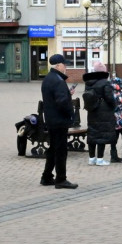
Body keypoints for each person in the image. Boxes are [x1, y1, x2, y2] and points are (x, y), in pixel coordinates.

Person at [39, 53, 78, 189]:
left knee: (53, 149)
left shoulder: (48, 78)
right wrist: (71, 115)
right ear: (59, 65)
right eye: (64, 64)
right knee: (61, 150)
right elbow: (61, 102)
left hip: (51, 120)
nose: (65, 67)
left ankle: (47, 176)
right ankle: (61, 179)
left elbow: (55, 97)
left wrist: (67, 93)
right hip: (59, 121)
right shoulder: (58, 81)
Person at [81, 64, 116, 166]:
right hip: (103, 112)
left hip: (92, 110)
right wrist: (113, 106)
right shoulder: (105, 83)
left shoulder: (89, 83)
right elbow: (110, 98)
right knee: (102, 134)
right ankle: (100, 159)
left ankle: (91, 158)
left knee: (92, 133)